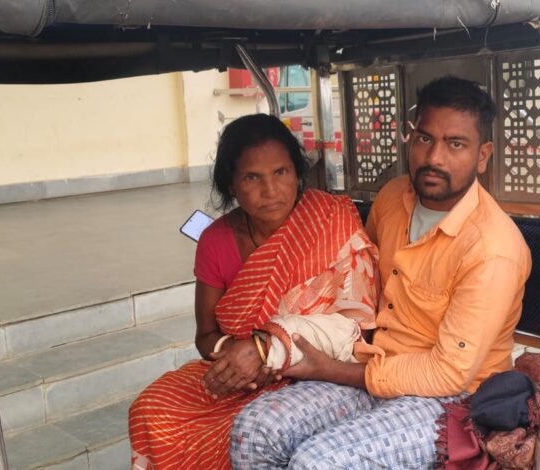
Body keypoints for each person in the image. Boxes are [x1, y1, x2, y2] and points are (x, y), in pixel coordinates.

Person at [229, 77, 532, 469]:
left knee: (317, 463)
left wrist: (334, 370)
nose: (434, 157)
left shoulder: (492, 249)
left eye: (456, 144)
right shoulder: (392, 197)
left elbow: (448, 373)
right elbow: (361, 286)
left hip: (450, 400)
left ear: (483, 155)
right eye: (424, 138)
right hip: (373, 363)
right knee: (255, 429)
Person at [128, 114, 378, 469]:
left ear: (297, 173)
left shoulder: (331, 218)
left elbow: (359, 328)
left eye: (280, 172)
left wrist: (266, 352)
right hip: (239, 371)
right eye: (252, 177)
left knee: (244, 430)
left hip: (320, 367)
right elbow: (205, 335)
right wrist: (238, 359)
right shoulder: (216, 241)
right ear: (231, 185)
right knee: (151, 407)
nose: (270, 190)